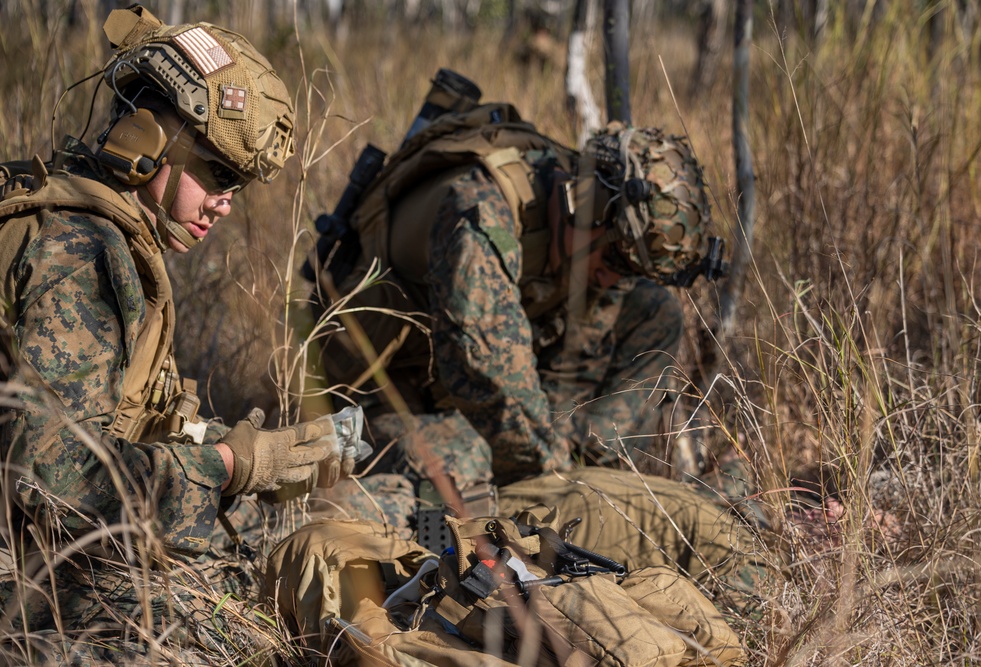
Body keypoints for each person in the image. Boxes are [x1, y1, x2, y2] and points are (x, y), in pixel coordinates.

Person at [0, 6, 364, 662]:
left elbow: (123, 427)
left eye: (238, 186)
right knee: (231, 630)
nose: (226, 202)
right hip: (22, 577)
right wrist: (228, 468)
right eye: (219, 173)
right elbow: (59, 488)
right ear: (145, 136)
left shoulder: (108, 237)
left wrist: (263, 455)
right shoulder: (77, 252)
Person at [309, 79, 722, 522]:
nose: (614, 279)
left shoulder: (572, 206)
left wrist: (579, 454)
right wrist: (564, 485)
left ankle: (583, 470)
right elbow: (487, 376)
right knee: (462, 459)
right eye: (615, 259)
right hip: (379, 394)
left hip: (484, 389)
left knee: (655, 313)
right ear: (588, 202)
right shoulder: (482, 212)